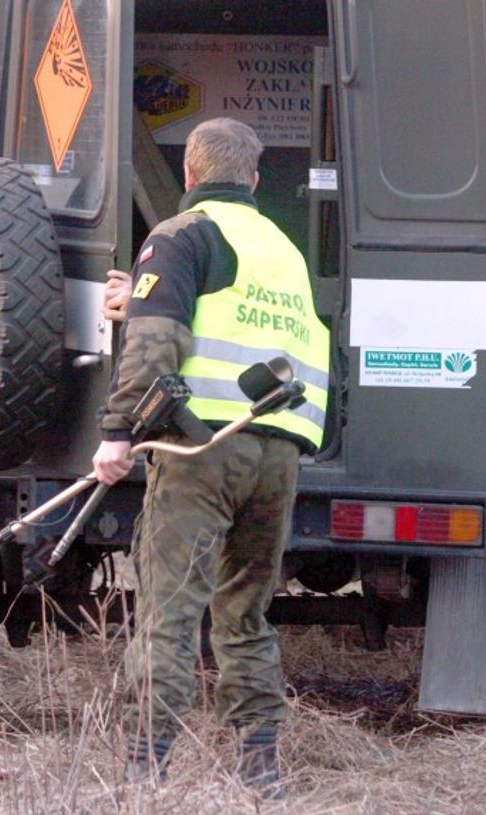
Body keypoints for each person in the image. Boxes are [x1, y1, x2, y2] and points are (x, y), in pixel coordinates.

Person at [91, 117, 330, 793]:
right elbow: (229, 323)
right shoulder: (283, 249)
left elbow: (156, 346)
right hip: (277, 454)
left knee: (168, 613)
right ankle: (261, 773)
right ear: (254, 179)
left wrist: (117, 434)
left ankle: (143, 777)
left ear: (190, 176)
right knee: (244, 615)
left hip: (203, 451)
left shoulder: (179, 234)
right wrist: (134, 301)